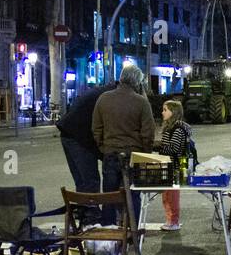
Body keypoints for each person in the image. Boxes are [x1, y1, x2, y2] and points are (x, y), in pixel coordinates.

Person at [91, 63, 156, 225]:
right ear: (137, 82)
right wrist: (145, 154)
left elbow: (96, 129)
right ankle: (132, 229)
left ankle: (109, 233)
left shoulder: (104, 99)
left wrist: (104, 148)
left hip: (111, 154)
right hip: (133, 156)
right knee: (133, 195)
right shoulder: (141, 102)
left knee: (109, 196)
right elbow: (148, 133)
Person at [56, 83, 112, 223]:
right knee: (90, 179)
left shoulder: (104, 92)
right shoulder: (110, 97)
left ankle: (84, 213)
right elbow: (101, 130)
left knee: (82, 180)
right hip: (78, 135)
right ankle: (90, 217)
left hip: (68, 132)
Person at [156, 100, 191, 231]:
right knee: (167, 195)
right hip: (170, 166)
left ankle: (173, 221)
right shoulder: (171, 128)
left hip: (175, 167)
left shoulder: (177, 129)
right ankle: (170, 220)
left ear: (173, 112)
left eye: (165, 110)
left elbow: (175, 148)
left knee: (171, 196)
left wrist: (158, 147)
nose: (162, 112)